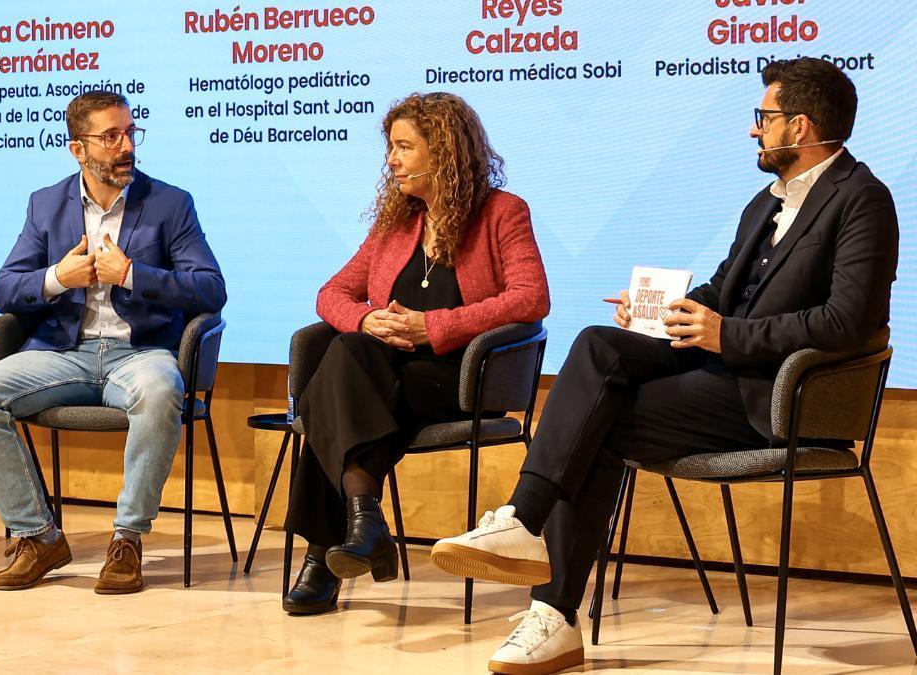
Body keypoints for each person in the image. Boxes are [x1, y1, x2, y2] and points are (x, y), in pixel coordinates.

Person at [430, 57, 898, 675]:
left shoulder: (863, 200)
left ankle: (552, 607)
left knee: (595, 428)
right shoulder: (765, 204)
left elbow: (848, 322)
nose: (754, 130)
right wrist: (659, 311)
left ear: (801, 127)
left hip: (780, 397)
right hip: (723, 372)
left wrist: (729, 336)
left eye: (764, 117)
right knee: (601, 342)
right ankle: (525, 523)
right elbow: (723, 289)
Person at [281, 92, 551, 615]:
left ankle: (328, 548)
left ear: (444, 150)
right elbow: (331, 293)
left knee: (332, 393)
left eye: (404, 147)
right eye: (391, 148)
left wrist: (435, 326)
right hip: (385, 379)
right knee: (349, 355)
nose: (392, 160)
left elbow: (530, 297)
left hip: (462, 377)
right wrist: (366, 318)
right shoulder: (397, 222)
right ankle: (362, 523)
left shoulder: (502, 212)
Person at [0, 90, 226, 593]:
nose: (126, 146)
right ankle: (38, 537)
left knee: (162, 391)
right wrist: (57, 277)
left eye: (130, 133)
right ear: (78, 149)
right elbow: (4, 289)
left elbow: (211, 288)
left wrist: (133, 275)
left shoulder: (169, 203)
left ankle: (127, 539)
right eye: (110, 137)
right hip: (64, 354)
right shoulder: (46, 204)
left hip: (141, 353)